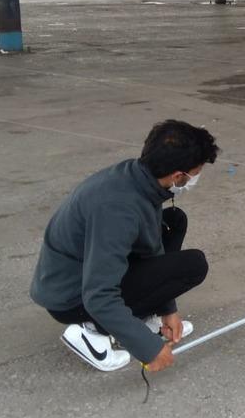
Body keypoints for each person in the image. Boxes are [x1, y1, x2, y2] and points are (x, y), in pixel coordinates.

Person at [30, 120, 218, 372]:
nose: (196, 178)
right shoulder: (117, 210)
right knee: (193, 265)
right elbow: (98, 295)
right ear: (177, 176)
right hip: (72, 297)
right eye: (195, 172)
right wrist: (147, 347)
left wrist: (167, 309)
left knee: (173, 221)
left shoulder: (139, 178)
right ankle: (91, 332)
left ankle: (141, 315)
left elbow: (151, 246)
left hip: (84, 271)